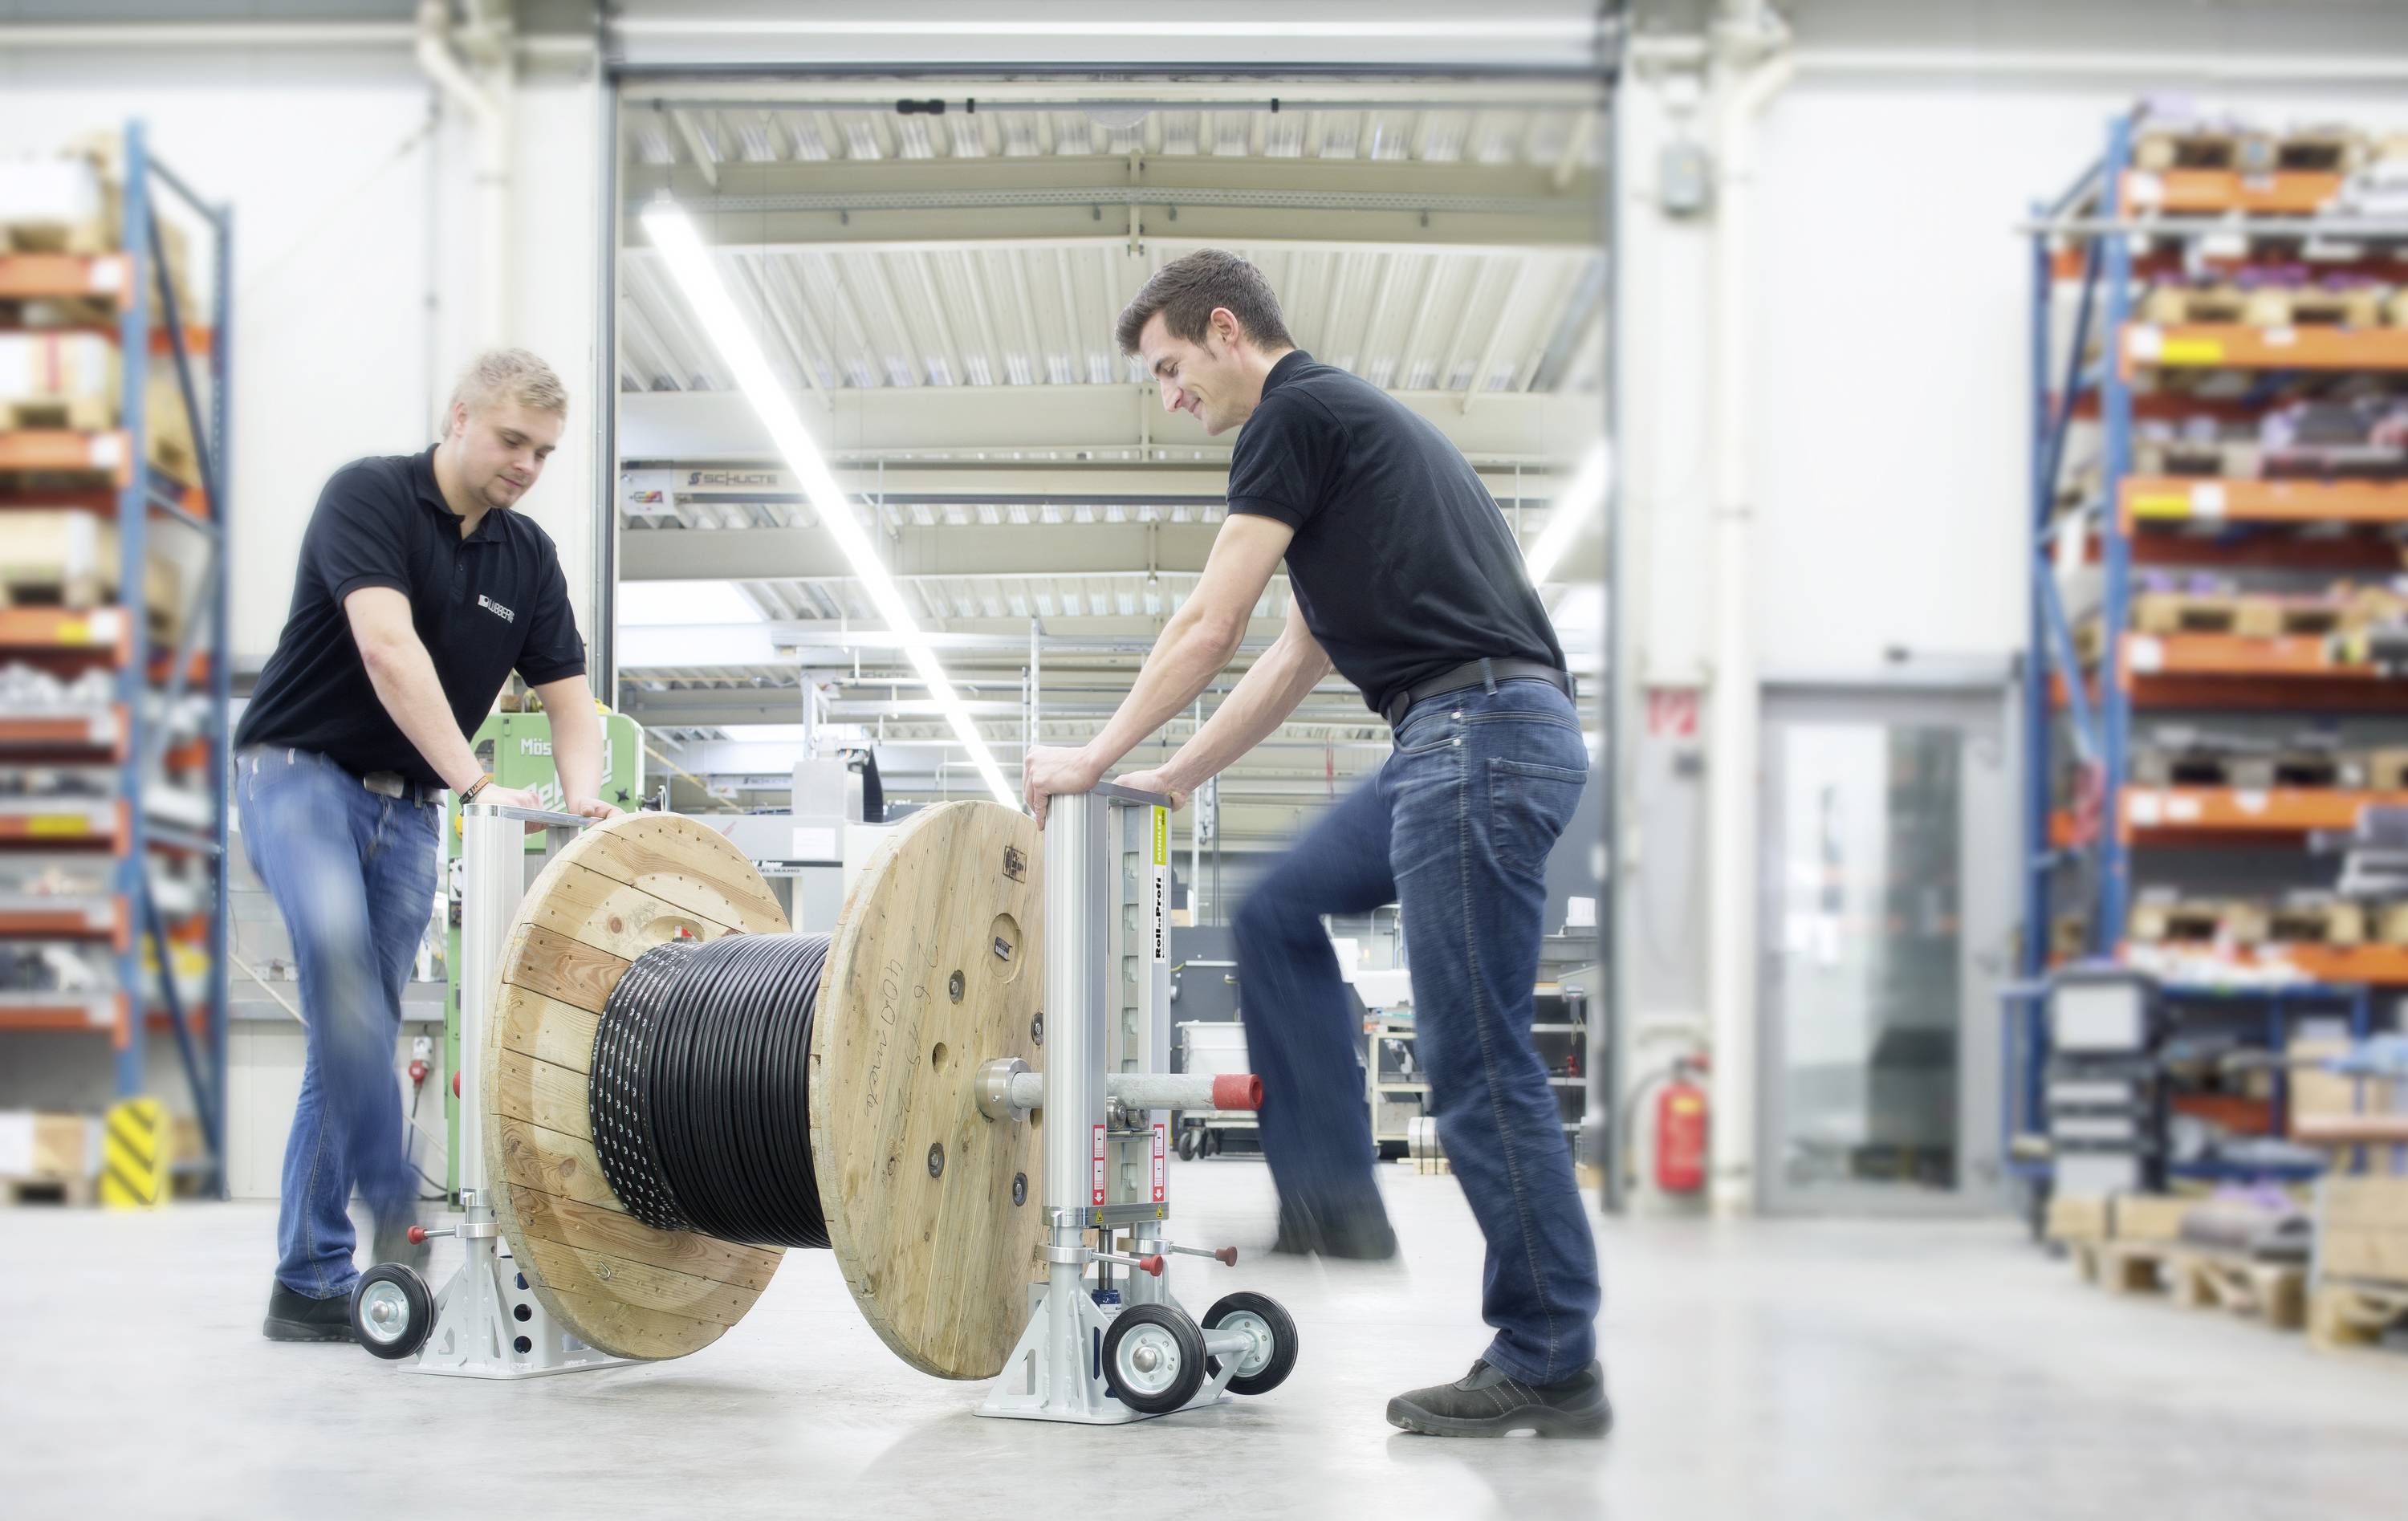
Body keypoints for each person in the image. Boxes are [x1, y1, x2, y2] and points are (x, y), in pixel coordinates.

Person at [1023, 250, 1606, 1439]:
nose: (1171, 395)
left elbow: (1209, 622)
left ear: (1227, 330)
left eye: (1172, 367)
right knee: (1278, 909)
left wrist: (1090, 754)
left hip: (1477, 735)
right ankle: (1334, 1193)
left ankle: (1551, 1351)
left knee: (1477, 1056)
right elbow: (1296, 655)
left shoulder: (1290, 415)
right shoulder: (1343, 434)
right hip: (1458, 736)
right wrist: (1175, 773)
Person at [236, 349, 620, 1343]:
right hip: (299, 776)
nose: (528, 463)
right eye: (511, 440)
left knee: (353, 1029)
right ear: (458, 420)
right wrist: (481, 783)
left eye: (543, 450)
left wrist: (586, 798)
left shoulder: (526, 558)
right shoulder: (367, 496)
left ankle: (308, 1283)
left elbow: (575, 703)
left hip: (407, 811)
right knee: (339, 970)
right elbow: (387, 652)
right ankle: (392, 1198)